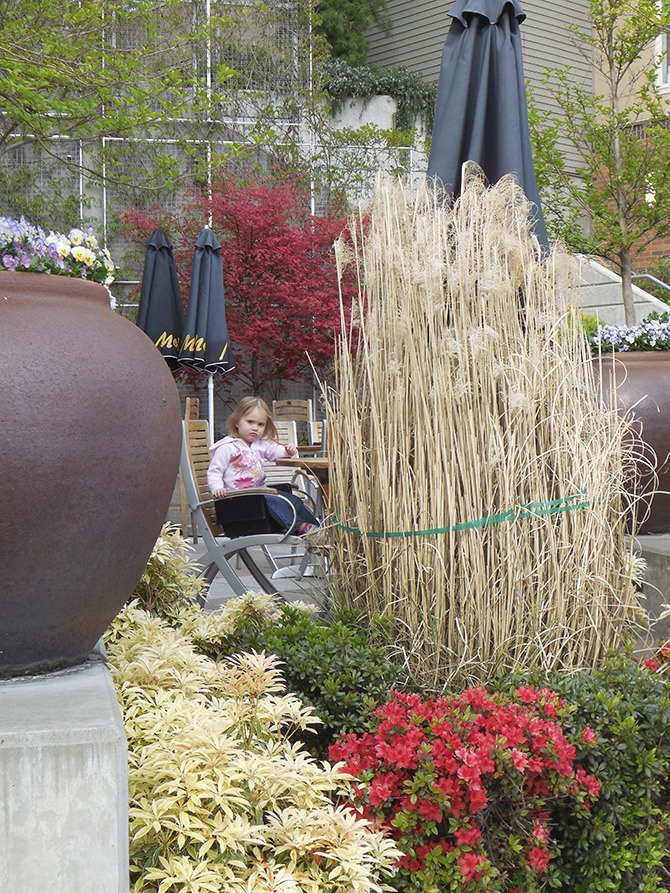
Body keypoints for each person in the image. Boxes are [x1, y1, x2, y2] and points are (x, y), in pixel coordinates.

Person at [207, 396, 321, 535]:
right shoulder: (227, 447)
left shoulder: (258, 445)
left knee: (292, 500)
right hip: (238, 501)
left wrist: (286, 451)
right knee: (274, 500)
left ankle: (318, 530)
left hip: (258, 495)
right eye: (250, 422)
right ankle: (300, 528)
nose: (255, 428)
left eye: (260, 424)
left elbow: (274, 452)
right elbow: (215, 471)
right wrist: (217, 488)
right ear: (237, 422)